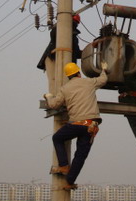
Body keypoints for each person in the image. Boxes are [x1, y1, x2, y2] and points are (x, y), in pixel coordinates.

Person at [43, 61, 108, 190]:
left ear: (68, 76)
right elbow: (103, 80)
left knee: (57, 138)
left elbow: (54, 105)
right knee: (80, 156)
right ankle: (70, 181)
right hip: (90, 125)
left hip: (76, 124)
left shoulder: (65, 88)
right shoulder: (88, 82)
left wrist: (48, 96)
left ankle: (64, 166)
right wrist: (104, 70)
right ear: (79, 73)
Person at [37, 14, 81, 95]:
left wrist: (89, 50)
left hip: (65, 59)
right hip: (52, 57)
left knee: (64, 79)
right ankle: (55, 97)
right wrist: (61, 21)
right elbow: (53, 34)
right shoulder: (58, 29)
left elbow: (77, 53)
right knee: (54, 79)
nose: (73, 24)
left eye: (75, 23)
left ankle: (62, 96)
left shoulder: (74, 38)